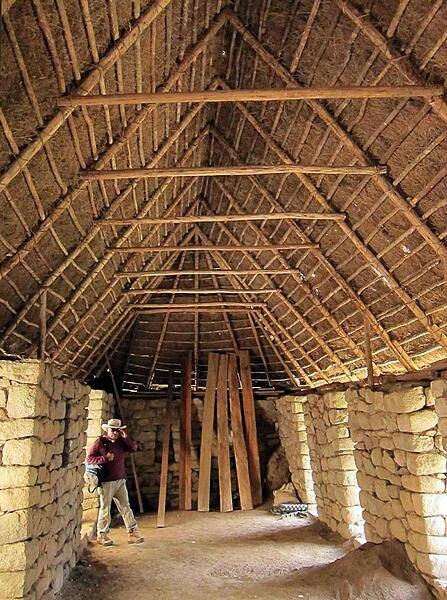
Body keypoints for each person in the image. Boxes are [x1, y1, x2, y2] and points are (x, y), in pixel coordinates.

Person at [86, 418, 144, 546]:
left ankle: (132, 532)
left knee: (125, 507)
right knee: (105, 508)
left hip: (120, 480)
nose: (115, 433)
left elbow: (133, 448)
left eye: (117, 430)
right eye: (113, 430)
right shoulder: (100, 442)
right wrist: (104, 458)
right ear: (107, 429)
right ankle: (102, 535)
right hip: (106, 481)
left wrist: (125, 437)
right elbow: (89, 459)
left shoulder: (121, 442)